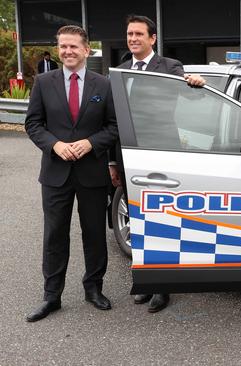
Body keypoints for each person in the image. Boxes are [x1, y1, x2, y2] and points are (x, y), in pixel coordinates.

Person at [109, 14, 205, 313]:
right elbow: (113, 120)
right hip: (128, 156)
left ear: (152, 38)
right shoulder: (121, 70)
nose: (133, 38)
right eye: (129, 34)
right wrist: (113, 161)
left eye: (139, 34)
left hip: (160, 153)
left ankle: (163, 287)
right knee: (138, 222)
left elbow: (188, 98)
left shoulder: (170, 67)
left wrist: (195, 84)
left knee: (162, 221)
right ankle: (146, 282)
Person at [24, 25, 118, 322]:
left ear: (86, 49)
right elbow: (33, 124)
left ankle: (93, 289)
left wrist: (90, 143)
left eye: (73, 46)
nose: (67, 51)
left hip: (92, 173)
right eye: (62, 46)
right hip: (55, 173)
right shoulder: (43, 82)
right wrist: (55, 145)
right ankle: (52, 296)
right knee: (55, 236)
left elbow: (114, 127)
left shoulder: (103, 84)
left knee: (94, 234)